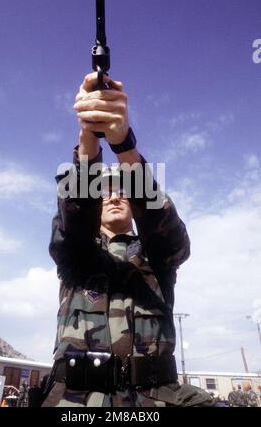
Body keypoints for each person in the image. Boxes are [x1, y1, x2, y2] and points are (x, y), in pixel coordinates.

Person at [42, 73, 213, 407]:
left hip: (154, 402)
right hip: (74, 403)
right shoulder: (76, 255)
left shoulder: (156, 255)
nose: (115, 198)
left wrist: (123, 144)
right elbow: (73, 222)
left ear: (135, 206)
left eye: (123, 191)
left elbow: (169, 232)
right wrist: (89, 139)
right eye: (104, 192)